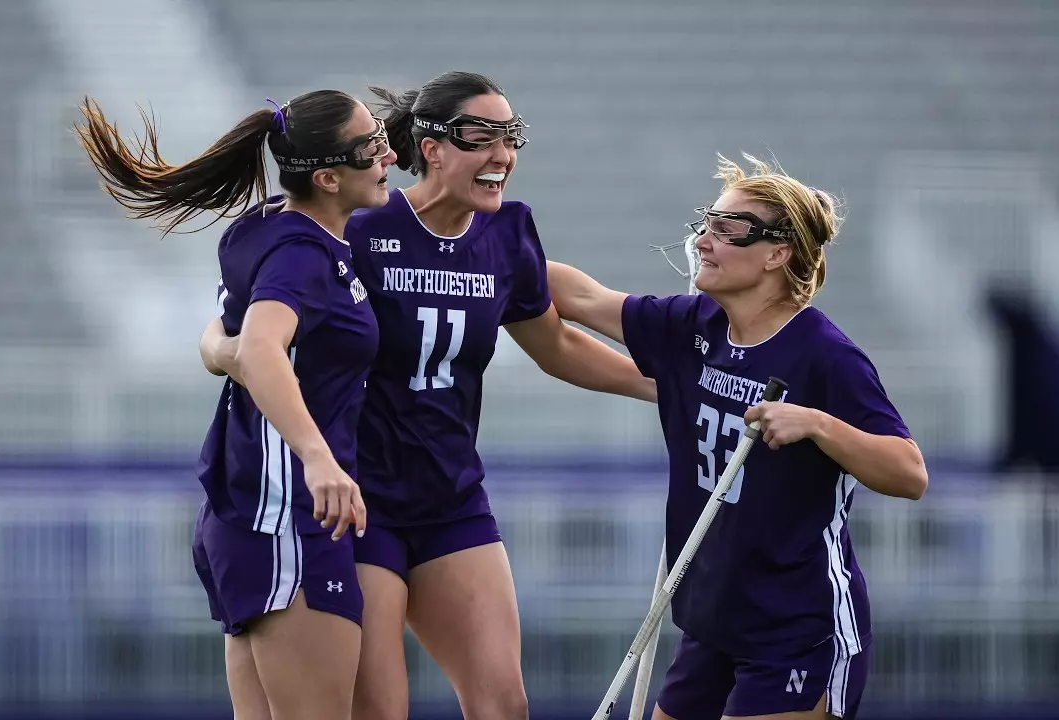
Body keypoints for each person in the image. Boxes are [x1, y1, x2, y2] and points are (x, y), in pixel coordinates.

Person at [200, 70, 656, 720]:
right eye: (483, 137)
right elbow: (257, 314)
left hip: (451, 495)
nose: (503, 155)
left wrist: (663, 390)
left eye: (512, 137)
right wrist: (221, 349)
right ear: (432, 147)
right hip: (359, 502)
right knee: (379, 710)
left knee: (504, 705)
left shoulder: (507, 233)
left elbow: (556, 344)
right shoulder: (357, 221)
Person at [546, 154, 928, 720]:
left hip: (796, 632)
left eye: (728, 230)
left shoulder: (826, 356)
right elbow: (582, 299)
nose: (704, 241)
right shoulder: (693, 325)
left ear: (778, 254)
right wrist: (488, 250)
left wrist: (817, 424)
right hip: (713, 624)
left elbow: (909, 473)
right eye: (706, 224)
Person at [75, 89, 398, 720]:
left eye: (382, 135)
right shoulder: (302, 255)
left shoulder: (267, 225)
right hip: (289, 519)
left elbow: (225, 339)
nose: (387, 155)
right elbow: (259, 346)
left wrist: (226, 351)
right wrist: (318, 458)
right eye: (370, 146)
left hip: (251, 515)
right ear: (328, 178)